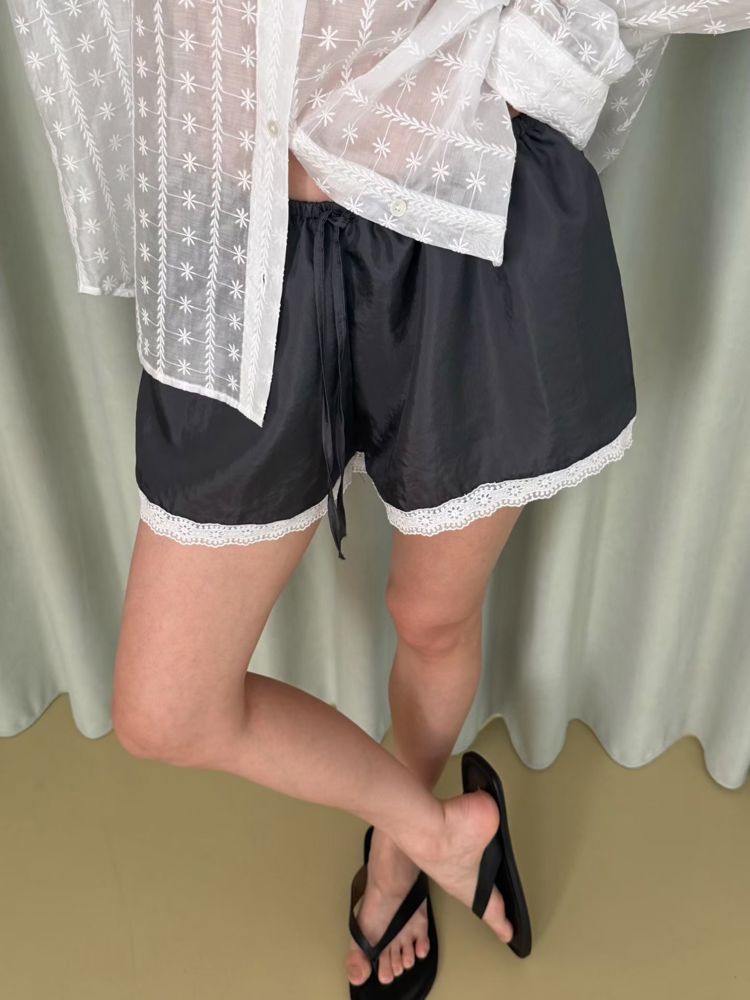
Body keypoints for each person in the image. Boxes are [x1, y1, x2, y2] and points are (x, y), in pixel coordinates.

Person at [7, 0, 750, 995]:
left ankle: (399, 858)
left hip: (455, 215)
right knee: (166, 707)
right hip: (239, 246)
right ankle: (436, 830)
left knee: (432, 617)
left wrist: (536, 66)